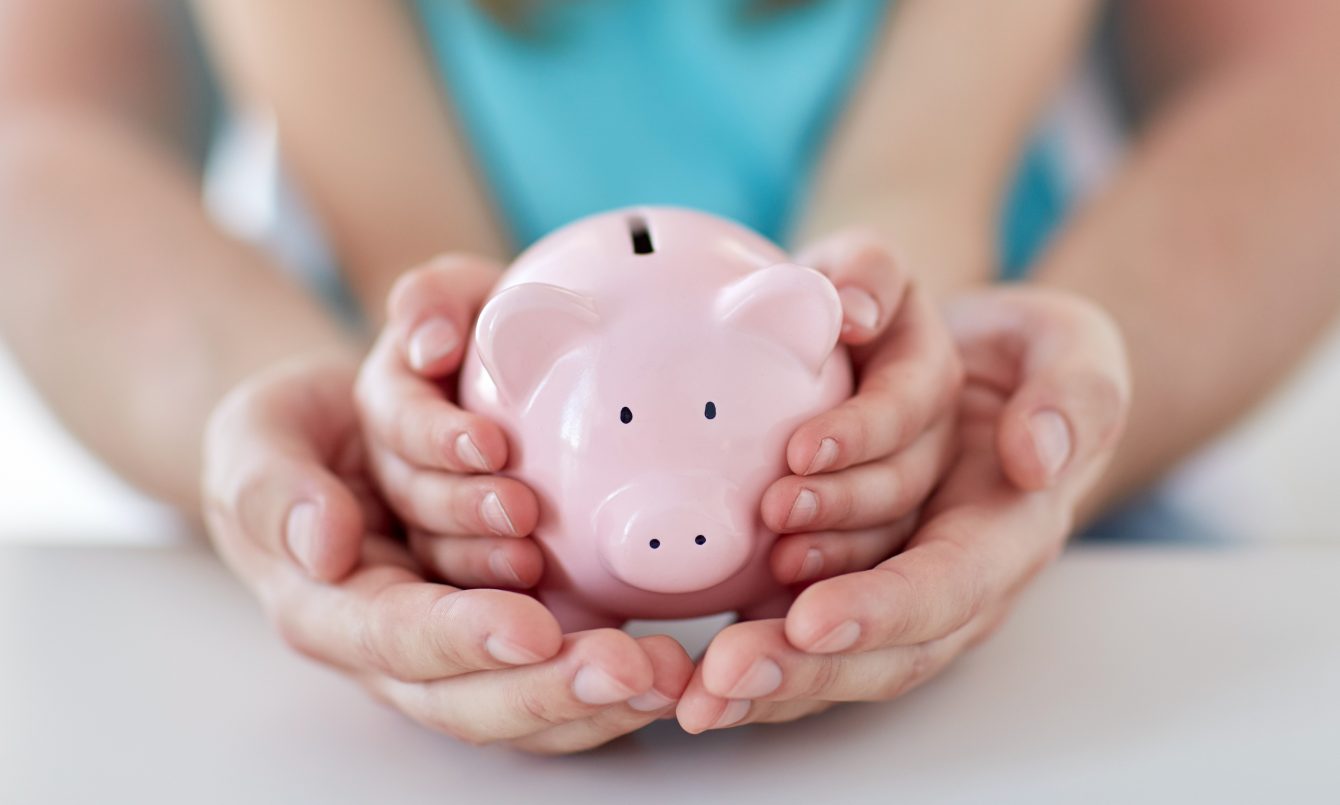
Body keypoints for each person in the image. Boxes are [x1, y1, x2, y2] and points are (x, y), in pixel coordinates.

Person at [1, 0, 1337, 753]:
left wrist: (1043, 398)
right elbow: (41, 129)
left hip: (1028, 532)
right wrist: (294, 413)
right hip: (383, 551)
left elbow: (1301, 92)